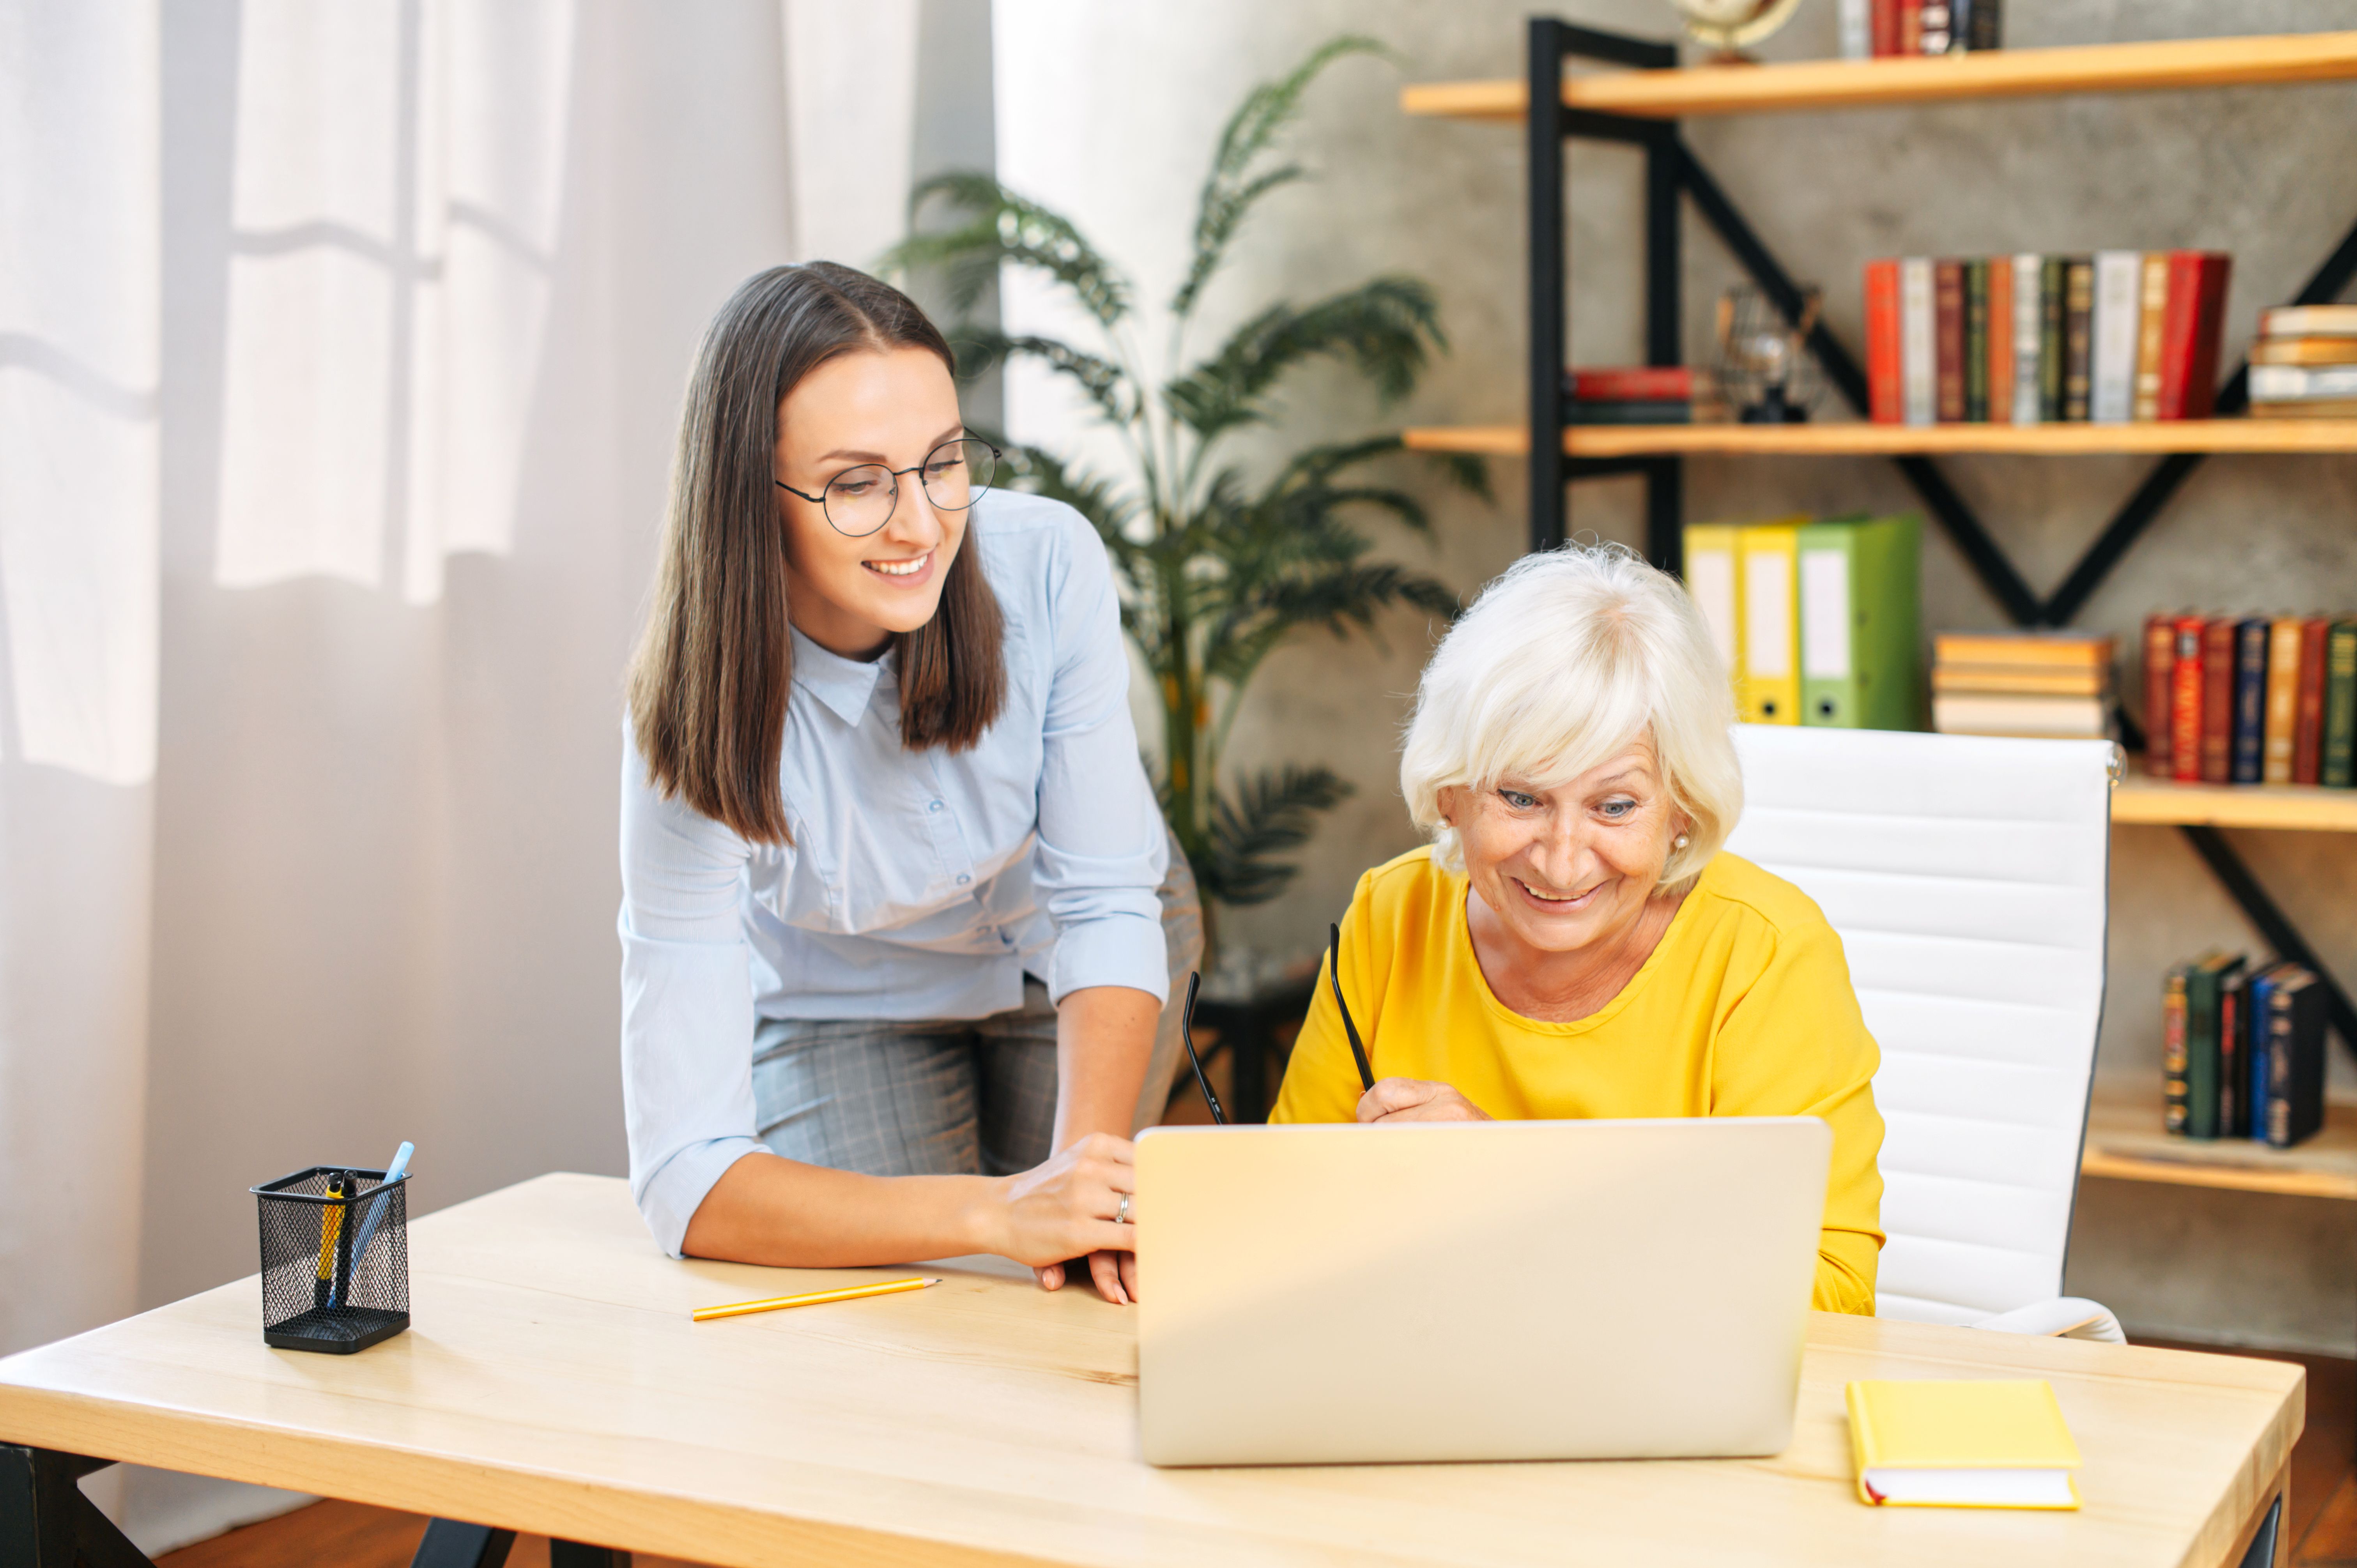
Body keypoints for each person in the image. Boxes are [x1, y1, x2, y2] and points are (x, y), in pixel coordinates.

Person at [619, 263, 1200, 1304]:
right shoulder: (690, 725)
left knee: (1067, 1289)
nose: (920, 526)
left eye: (939, 464)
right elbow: (686, 1181)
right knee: (927, 1305)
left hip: (1069, 949)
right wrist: (990, 1212)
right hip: (849, 1000)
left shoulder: (1045, 563)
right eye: (855, 483)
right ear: (749, 499)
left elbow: (1106, 900)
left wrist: (1075, 1189)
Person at [1269, 544, 1885, 1314]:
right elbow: (1282, 1220)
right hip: (1428, 1377)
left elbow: (1829, 1296)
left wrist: (1515, 1185)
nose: (1561, 861)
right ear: (1453, 792)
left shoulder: (1764, 955)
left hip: (1664, 1420)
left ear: (1681, 807)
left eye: (1615, 805)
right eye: (1520, 797)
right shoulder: (1389, 915)